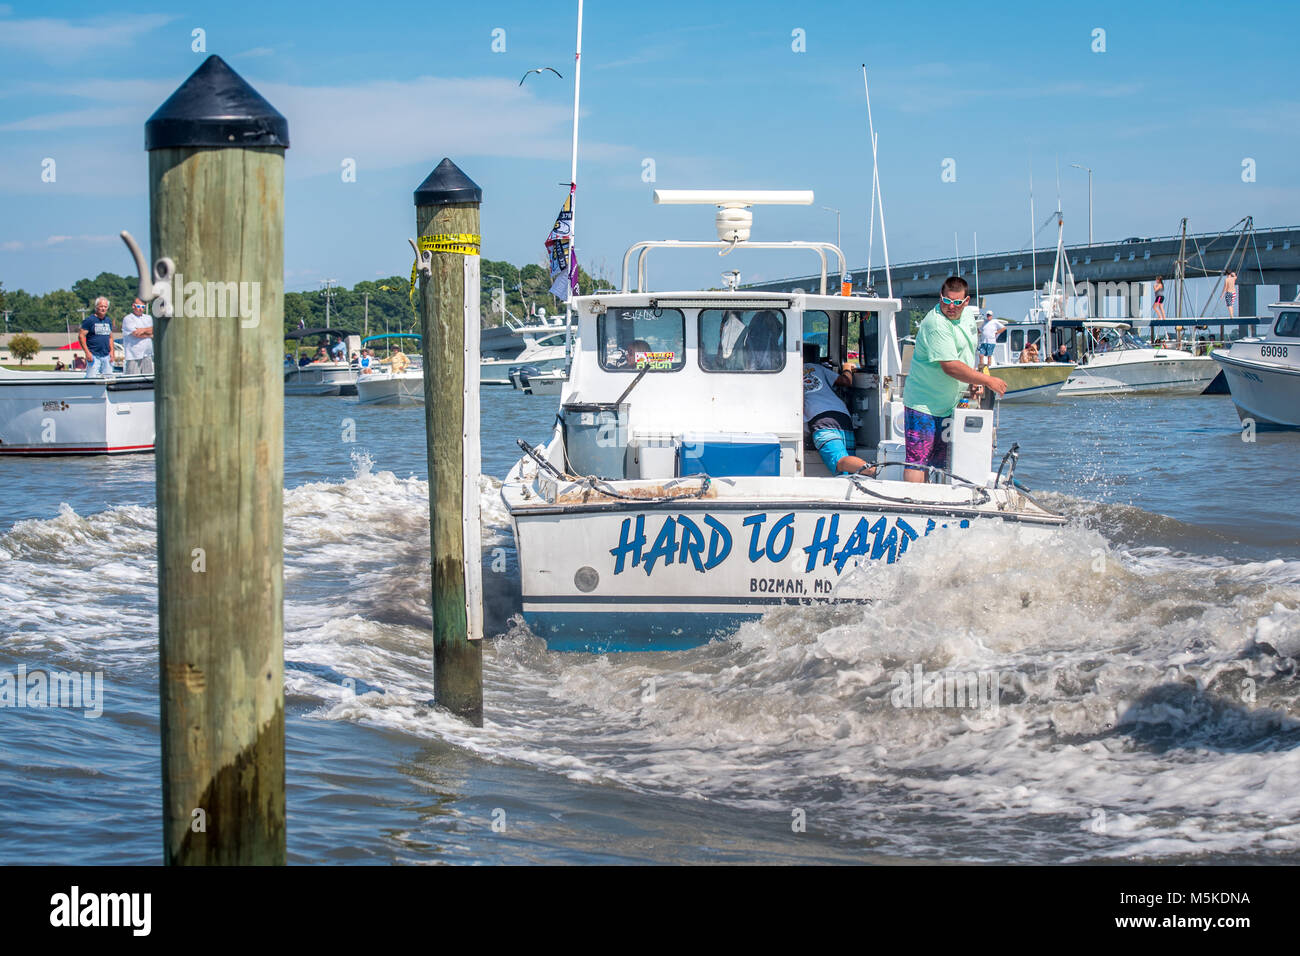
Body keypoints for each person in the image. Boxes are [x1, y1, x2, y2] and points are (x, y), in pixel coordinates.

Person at [901, 277, 1007, 483]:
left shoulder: (967, 315)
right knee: (918, 460)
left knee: (941, 460)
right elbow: (950, 366)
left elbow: (967, 350)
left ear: (966, 302)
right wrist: (987, 380)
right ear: (941, 297)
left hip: (949, 403)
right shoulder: (936, 323)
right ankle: (915, 504)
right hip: (924, 403)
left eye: (957, 302)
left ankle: (936, 502)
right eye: (947, 300)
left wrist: (974, 379)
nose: (951, 306)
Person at [802, 342, 874, 476]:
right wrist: (847, 368)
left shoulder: (789, 372)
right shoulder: (818, 368)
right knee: (850, 472)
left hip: (820, 420)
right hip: (842, 416)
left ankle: (874, 471)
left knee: (840, 462)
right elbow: (846, 381)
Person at [78, 296, 115, 377]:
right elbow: (81, 336)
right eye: (101, 306)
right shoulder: (90, 320)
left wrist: (112, 351)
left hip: (106, 356)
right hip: (94, 355)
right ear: (96, 307)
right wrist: (87, 352)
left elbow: (110, 337)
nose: (103, 308)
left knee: (109, 378)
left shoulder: (108, 320)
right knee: (91, 378)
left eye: (105, 307)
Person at [121, 298, 154, 375]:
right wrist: (149, 333)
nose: (141, 309)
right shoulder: (128, 319)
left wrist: (142, 330)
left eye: (143, 307)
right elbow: (136, 333)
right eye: (139, 306)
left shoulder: (148, 318)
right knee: (132, 380)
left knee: (148, 379)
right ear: (133, 306)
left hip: (147, 354)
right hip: (133, 356)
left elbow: (154, 330)